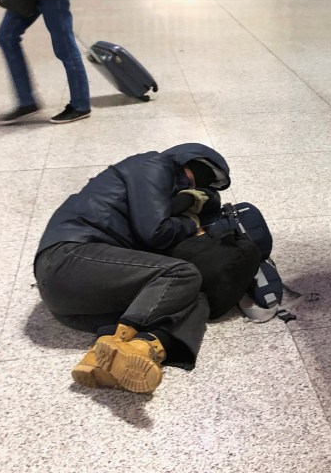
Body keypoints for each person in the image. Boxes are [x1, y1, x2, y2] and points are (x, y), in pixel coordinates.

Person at [34, 143, 236, 394]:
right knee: (181, 273)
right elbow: (155, 232)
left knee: (190, 296)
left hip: (75, 301)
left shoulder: (155, 181)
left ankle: (131, 351)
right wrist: (190, 222)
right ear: (189, 162)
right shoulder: (153, 165)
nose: (193, 188)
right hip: (69, 258)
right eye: (199, 179)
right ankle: (120, 342)